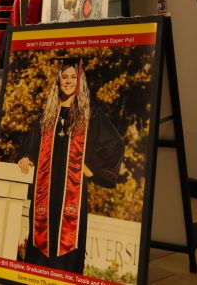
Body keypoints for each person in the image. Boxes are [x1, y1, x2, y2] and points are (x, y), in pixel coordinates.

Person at [17, 58, 124, 274]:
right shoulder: (47, 114)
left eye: (73, 77)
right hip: (44, 190)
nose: (68, 81)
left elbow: (114, 144)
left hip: (72, 193)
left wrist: (92, 168)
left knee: (68, 243)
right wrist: (25, 156)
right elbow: (31, 145)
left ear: (80, 81)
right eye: (64, 77)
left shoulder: (90, 114)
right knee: (40, 239)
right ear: (57, 81)